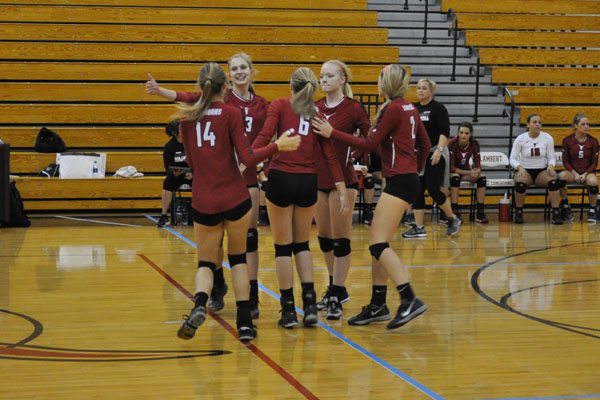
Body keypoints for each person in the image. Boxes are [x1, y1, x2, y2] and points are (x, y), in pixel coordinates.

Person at [170, 63, 300, 341]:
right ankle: (244, 323)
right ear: (225, 86)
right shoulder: (232, 113)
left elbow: (191, 162)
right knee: (238, 259)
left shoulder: (187, 119)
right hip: (234, 196)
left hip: (204, 199)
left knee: (205, 262)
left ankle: (198, 305)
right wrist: (279, 146)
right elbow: (248, 158)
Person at [146, 53, 268, 318]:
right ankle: (220, 284)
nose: (239, 71)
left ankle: (252, 295)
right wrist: (160, 91)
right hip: (226, 176)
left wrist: (265, 162)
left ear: (251, 70)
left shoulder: (262, 104)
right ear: (227, 77)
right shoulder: (224, 100)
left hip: (248, 176)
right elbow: (188, 97)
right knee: (220, 241)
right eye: (234, 68)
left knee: (249, 241)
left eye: (243, 67)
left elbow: (270, 132)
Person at [313, 64, 431, 329]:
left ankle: (408, 297)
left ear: (385, 81)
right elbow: (424, 144)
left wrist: (333, 133)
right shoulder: (411, 107)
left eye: (379, 78)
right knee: (378, 243)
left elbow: (369, 144)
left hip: (400, 179)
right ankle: (378, 304)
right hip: (406, 177)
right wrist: (416, 168)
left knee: (378, 245)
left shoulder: (392, 108)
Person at [252, 67, 348, 329]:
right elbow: (329, 154)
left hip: (282, 178)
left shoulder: (280, 105)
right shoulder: (316, 113)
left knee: (283, 247)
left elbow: (264, 137)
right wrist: (340, 186)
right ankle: (309, 305)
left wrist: (246, 157)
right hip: (309, 182)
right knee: (302, 245)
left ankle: (288, 311)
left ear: (291, 85)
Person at [313, 60, 371, 320]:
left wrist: (358, 159)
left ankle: (336, 293)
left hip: (343, 181)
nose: (324, 79)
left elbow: (369, 141)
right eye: (321, 76)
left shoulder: (353, 108)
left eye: (329, 75)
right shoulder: (314, 108)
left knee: (341, 238)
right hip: (317, 180)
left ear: (342, 80)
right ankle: (336, 287)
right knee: (324, 238)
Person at [403, 78, 461, 238]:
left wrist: (439, 151)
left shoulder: (438, 108)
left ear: (431, 91)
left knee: (433, 188)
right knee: (417, 189)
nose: (420, 90)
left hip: (436, 151)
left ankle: (452, 218)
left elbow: (444, 132)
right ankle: (419, 227)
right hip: (419, 154)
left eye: (424, 88)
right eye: (418, 88)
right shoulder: (413, 108)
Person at [509, 114, 562, 224]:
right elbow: (512, 159)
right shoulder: (521, 139)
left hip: (541, 171)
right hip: (525, 170)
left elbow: (551, 157)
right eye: (534, 122)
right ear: (528, 124)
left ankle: (556, 212)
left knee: (553, 182)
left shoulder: (547, 138)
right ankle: (519, 211)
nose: (537, 124)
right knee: (520, 183)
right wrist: (520, 167)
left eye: (539, 122)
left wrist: (551, 166)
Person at [557, 113, 599, 222]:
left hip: (587, 172)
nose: (586, 127)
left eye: (588, 124)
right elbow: (565, 161)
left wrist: (585, 174)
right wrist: (575, 173)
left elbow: (594, 163)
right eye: (583, 124)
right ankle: (565, 205)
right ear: (576, 125)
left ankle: (592, 209)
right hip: (573, 172)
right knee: (561, 176)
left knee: (593, 181)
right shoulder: (567, 140)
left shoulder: (593, 141)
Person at [448, 122, 488, 223]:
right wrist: (469, 172)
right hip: (453, 172)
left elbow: (478, 163)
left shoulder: (474, 143)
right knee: (455, 178)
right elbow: (451, 167)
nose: (463, 136)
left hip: (466, 171)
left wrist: (477, 171)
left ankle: (480, 212)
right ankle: (455, 211)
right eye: (461, 133)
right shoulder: (453, 143)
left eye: (466, 133)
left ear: (471, 134)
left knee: (482, 178)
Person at [157, 119, 193, 228]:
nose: (183, 131)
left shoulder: (192, 143)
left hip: (192, 174)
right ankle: (164, 215)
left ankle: (199, 213)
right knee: (168, 183)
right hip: (177, 175)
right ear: (174, 132)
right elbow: (168, 167)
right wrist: (176, 173)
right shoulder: (169, 146)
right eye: (180, 129)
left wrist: (193, 172)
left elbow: (200, 161)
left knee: (201, 182)